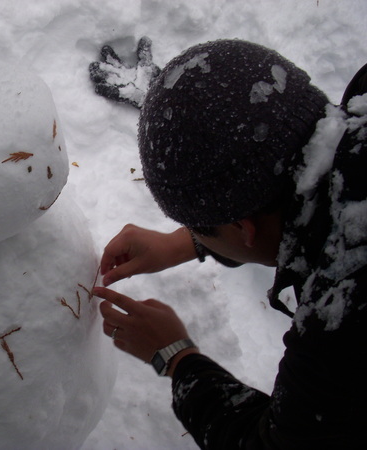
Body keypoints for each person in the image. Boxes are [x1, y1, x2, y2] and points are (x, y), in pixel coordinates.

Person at [89, 39, 367, 449]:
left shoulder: (343, 331)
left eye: (199, 228)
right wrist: (184, 244)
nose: (195, 235)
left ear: (245, 228)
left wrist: (176, 357)